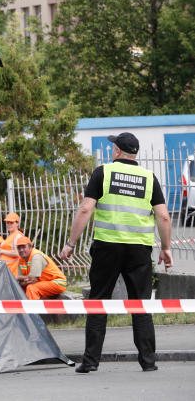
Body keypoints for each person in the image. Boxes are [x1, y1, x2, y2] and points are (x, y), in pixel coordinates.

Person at [59, 132, 173, 374]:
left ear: (118, 151)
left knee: (98, 301)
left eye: (113, 147)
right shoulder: (149, 178)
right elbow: (163, 216)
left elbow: (85, 210)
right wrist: (165, 248)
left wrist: (70, 243)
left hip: (107, 247)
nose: (111, 150)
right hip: (139, 251)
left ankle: (90, 362)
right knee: (141, 303)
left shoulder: (103, 173)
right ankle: (148, 361)